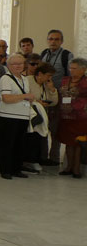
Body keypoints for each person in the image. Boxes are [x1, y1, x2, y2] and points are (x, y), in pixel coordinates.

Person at [0, 54, 36, 179]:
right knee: (8, 144)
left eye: (21, 63)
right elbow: (6, 98)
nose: (18, 66)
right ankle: (6, 170)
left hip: (23, 116)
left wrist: (28, 98)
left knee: (20, 144)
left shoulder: (25, 79)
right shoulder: (6, 79)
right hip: (9, 116)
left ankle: (16, 169)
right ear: (9, 66)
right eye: (15, 64)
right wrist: (24, 96)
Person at [42, 29, 72, 166]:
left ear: (61, 41)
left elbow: (70, 76)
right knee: (42, 125)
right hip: (43, 94)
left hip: (58, 95)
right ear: (47, 40)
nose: (53, 41)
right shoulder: (44, 53)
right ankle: (42, 156)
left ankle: (54, 157)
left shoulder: (66, 55)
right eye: (51, 39)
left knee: (55, 127)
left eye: (56, 39)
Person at [26, 62, 58, 171]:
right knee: (29, 138)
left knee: (38, 138)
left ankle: (35, 160)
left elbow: (54, 102)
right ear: (40, 74)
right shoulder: (28, 81)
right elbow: (23, 96)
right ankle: (28, 161)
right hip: (29, 114)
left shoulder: (46, 84)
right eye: (48, 75)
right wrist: (36, 101)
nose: (50, 78)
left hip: (40, 116)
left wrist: (52, 89)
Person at [58, 58, 87, 178]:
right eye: (70, 68)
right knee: (68, 142)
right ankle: (68, 167)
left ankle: (77, 169)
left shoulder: (85, 82)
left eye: (74, 68)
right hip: (65, 115)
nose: (71, 70)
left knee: (78, 142)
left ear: (83, 69)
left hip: (80, 116)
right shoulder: (65, 80)